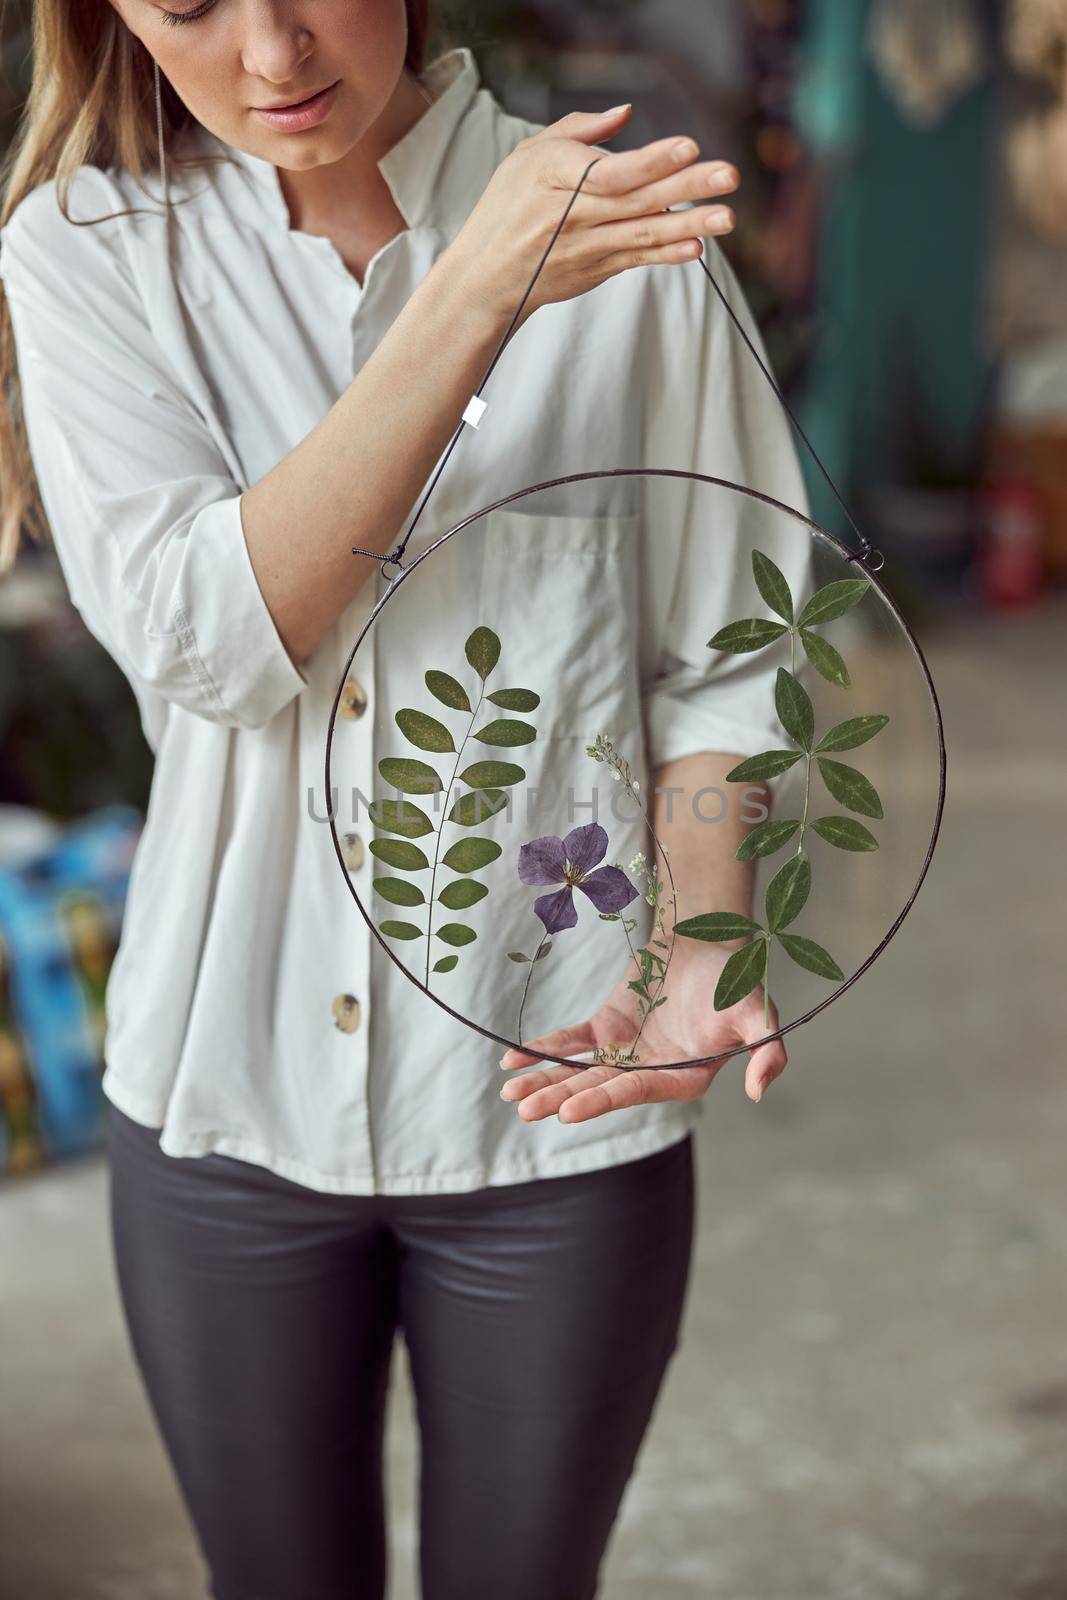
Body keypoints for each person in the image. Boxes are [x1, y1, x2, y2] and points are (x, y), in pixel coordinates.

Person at [0, 4, 808, 1596]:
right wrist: (476, 296)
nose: (271, 52)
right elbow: (212, 642)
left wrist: (705, 941)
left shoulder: (633, 234)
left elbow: (727, 658)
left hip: (558, 1109)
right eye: (189, 8)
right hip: (224, 1099)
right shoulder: (83, 252)